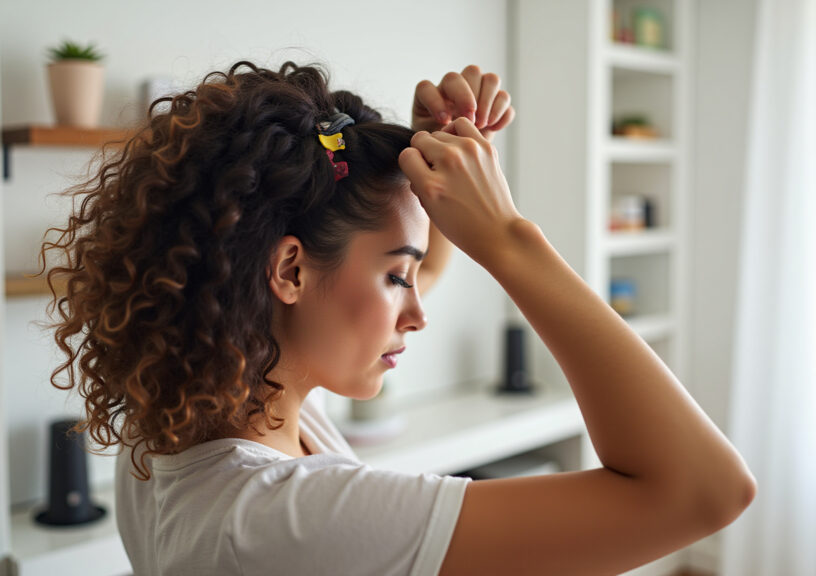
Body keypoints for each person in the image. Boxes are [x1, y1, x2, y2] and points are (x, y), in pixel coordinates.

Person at [39, 60, 756, 576]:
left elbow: (414, 274)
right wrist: (508, 238)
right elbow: (704, 490)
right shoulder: (282, 520)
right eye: (395, 276)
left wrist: (426, 178)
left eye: (407, 274)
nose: (416, 313)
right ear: (289, 271)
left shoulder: (181, 423)